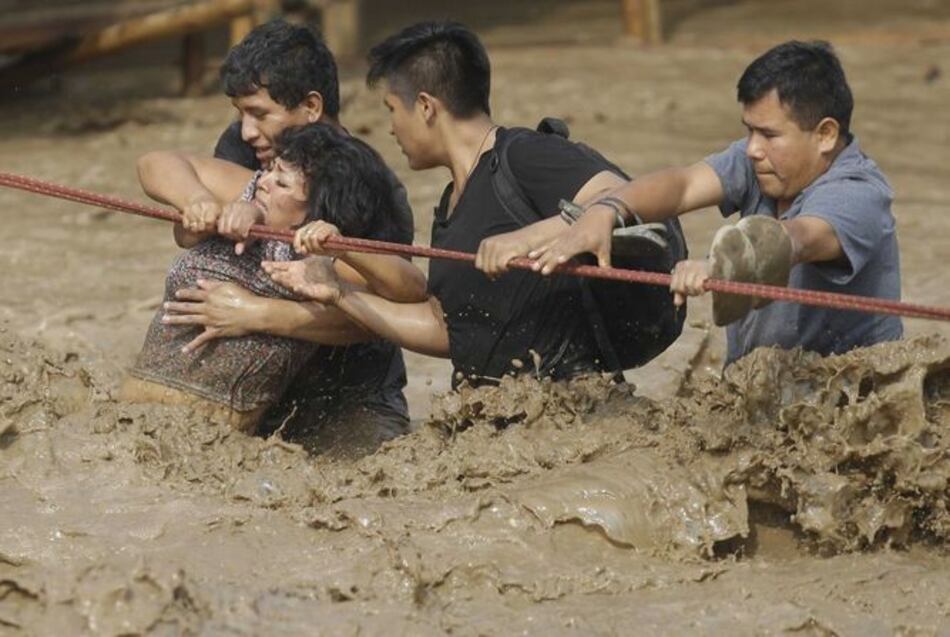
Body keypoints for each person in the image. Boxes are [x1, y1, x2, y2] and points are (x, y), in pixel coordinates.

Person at [266, 21, 676, 388]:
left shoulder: (525, 155)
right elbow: (445, 329)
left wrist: (529, 236)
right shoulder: (452, 205)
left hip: (576, 412)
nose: (390, 128)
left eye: (392, 109)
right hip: (496, 424)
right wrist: (339, 294)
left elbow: (620, 196)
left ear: (426, 107)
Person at [527, 40, 902, 364]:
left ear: (825, 134)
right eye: (749, 130)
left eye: (769, 134)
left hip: (846, 401)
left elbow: (797, 239)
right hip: (763, 386)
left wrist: (719, 264)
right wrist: (606, 211)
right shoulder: (761, 161)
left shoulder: (858, 193)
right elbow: (683, 184)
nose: (753, 149)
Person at [161, 20, 419, 445]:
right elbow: (167, 180)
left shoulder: (371, 186)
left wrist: (256, 314)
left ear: (311, 108)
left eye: (259, 114)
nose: (246, 130)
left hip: (351, 394)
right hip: (257, 386)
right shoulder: (251, 147)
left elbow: (387, 316)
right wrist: (196, 206)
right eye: (241, 114)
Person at [122, 123, 427, 447]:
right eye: (269, 170)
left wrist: (341, 247)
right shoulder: (253, 193)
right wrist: (200, 201)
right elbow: (153, 164)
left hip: (210, 446)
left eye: (280, 181)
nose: (263, 182)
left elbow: (411, 290)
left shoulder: (314, 258)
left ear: (311, 215)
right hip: (126, 422)